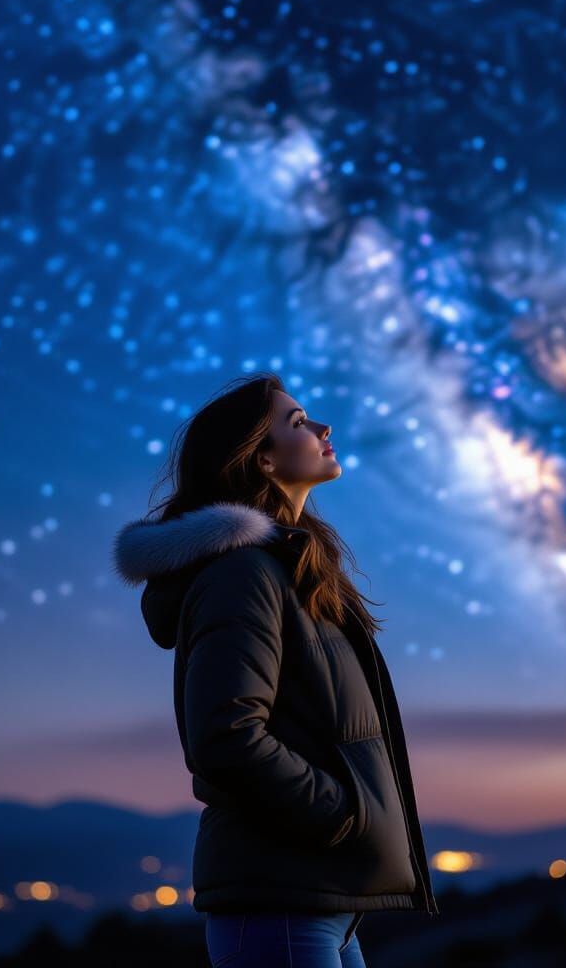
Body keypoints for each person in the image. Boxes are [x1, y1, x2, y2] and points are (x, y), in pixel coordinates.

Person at [113, 373, 439, 967]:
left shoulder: (290, 571)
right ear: (262, 459)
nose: (323, 428)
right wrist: (343, 814)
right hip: (282, 906)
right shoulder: (244, 575)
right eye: (298, 422)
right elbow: (226, 736)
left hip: (321, 905)